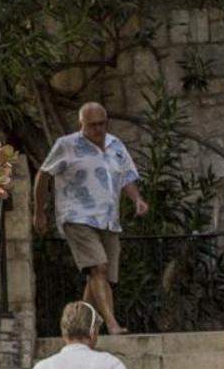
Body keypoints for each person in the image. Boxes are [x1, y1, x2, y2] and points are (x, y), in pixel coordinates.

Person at [34, 102, 147, 335]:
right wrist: (39, 212)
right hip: (76, 215)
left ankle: (81, 328)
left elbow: (125, 177)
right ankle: (111, 325)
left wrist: (137, 199)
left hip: (108, 219)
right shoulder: (67, 145)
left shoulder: (116, 145)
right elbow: (43, 176)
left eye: (101, 124)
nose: (97, 129)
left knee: (99, 277)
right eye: (92, 125)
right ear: (81, 124)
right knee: (99, 267)